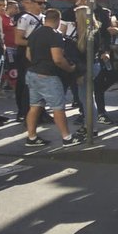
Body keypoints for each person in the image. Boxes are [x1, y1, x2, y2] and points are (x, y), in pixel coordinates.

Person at [24, 8, 81, 147]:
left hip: (32, 73)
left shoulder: (35, 34)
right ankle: (67, 138)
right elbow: (58, 59)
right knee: (58, 108)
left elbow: (28, 55)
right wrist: (70, 68)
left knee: (35, 106)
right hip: (48, 75)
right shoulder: (55, 35)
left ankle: (31, 137)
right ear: (58, 20)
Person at [14, 0, 47, 123]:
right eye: (40, 3)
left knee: (41, 84)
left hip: (40, 54)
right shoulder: (25, 18)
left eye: (44, 3)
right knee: (26, 83)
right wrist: (36, 43)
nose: (42, 5)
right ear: (32, 3)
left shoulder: (44, 17)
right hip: (26, 53)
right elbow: (18, 40)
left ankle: (40, 112)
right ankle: (24, 112)